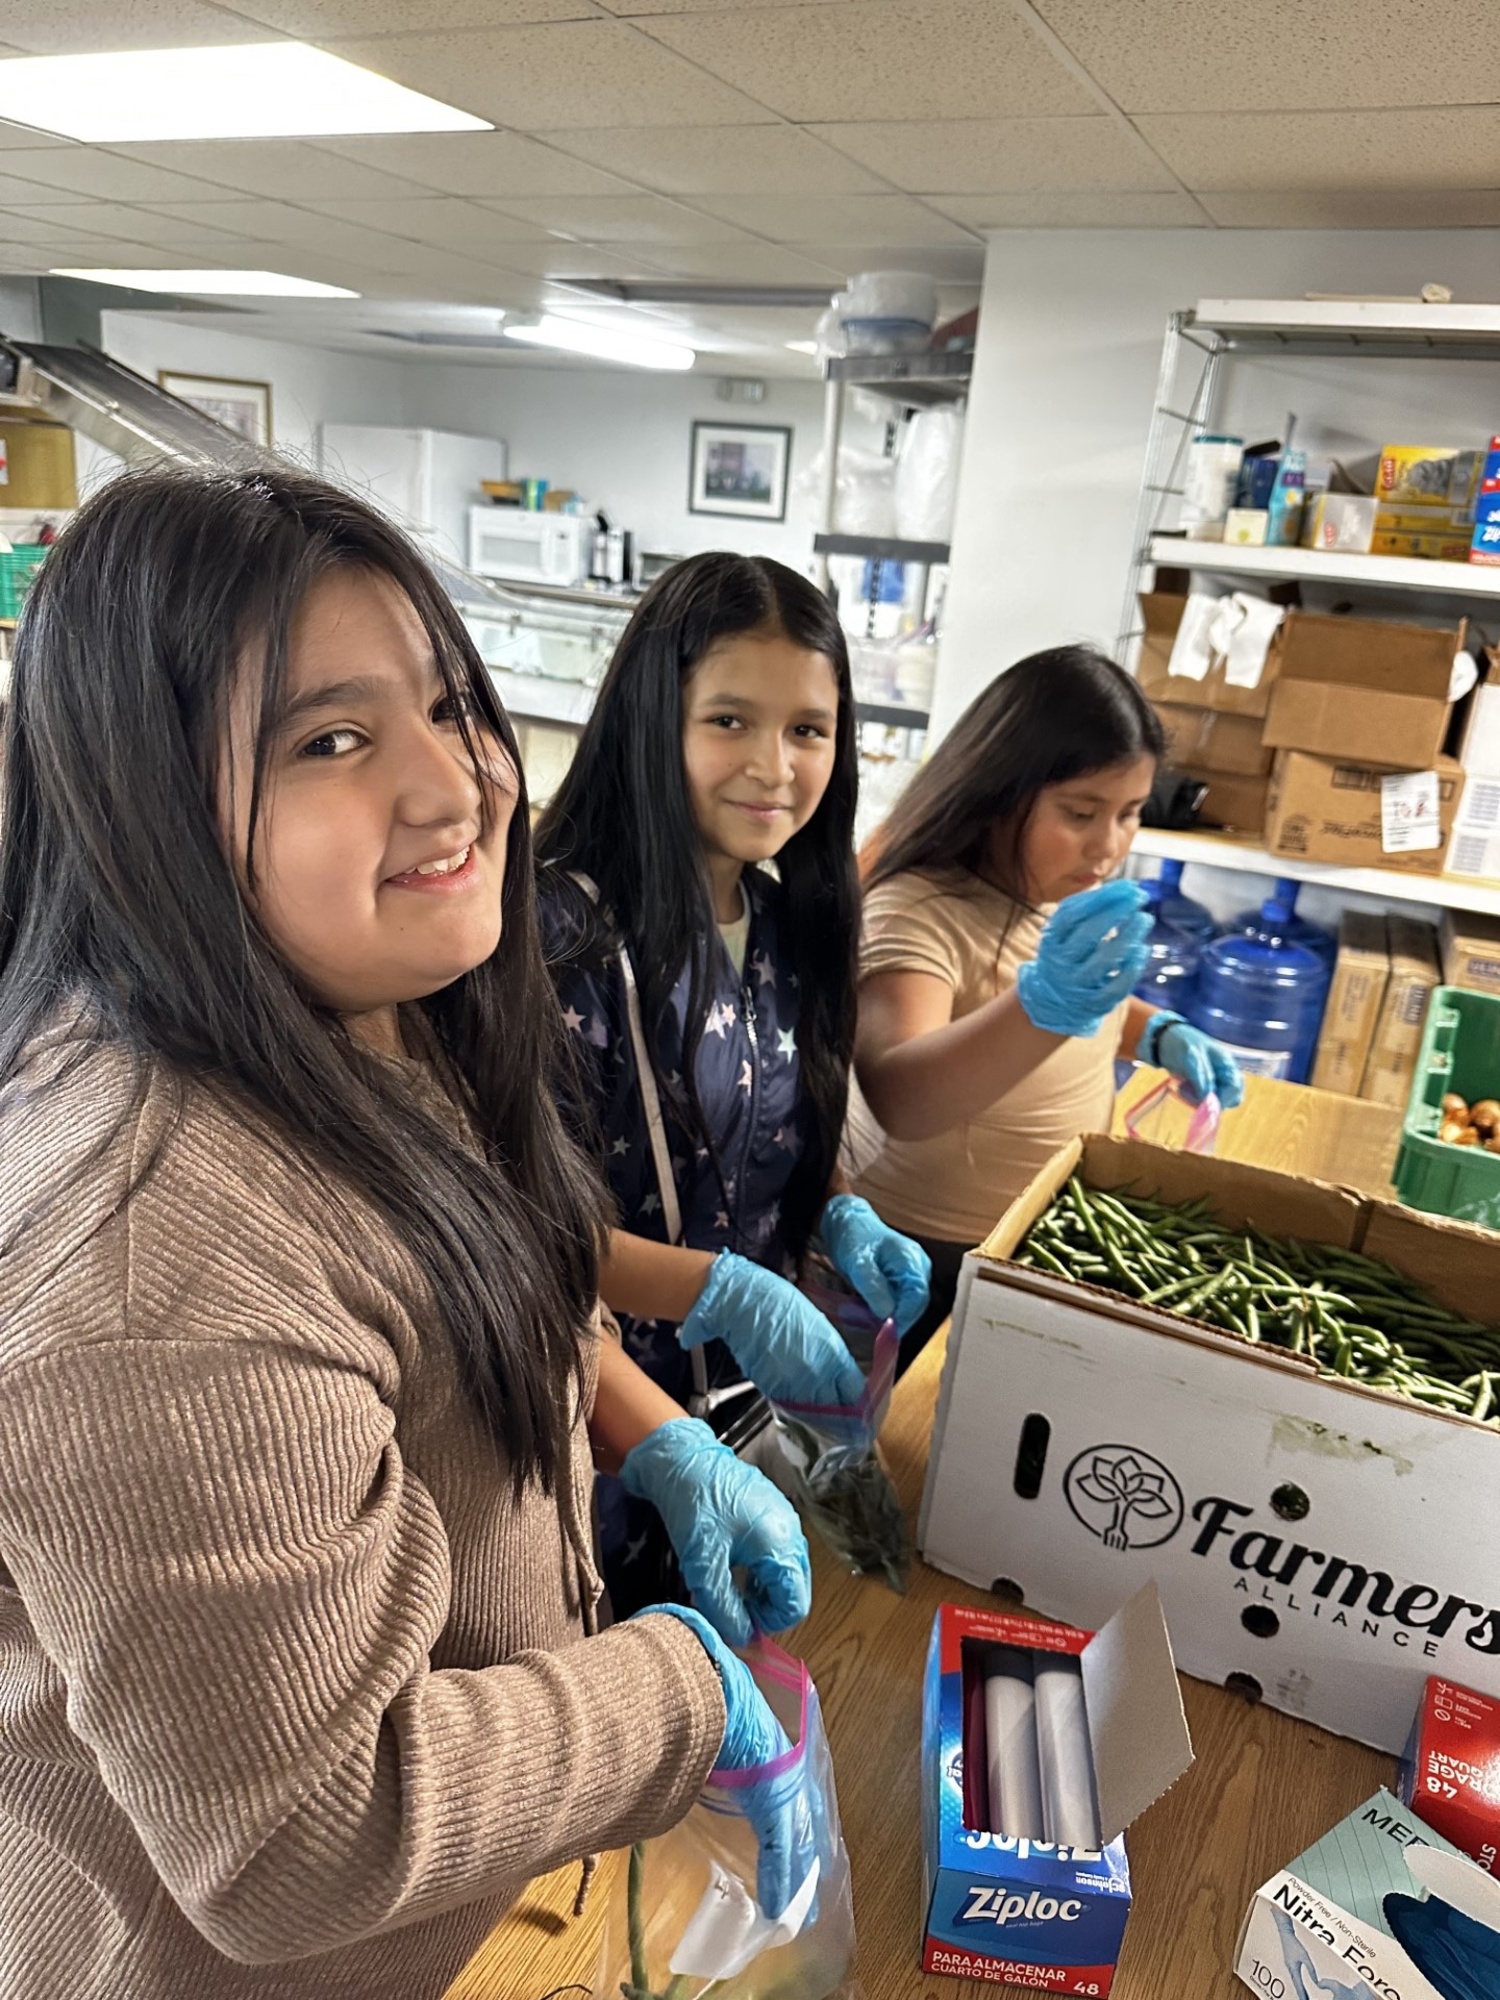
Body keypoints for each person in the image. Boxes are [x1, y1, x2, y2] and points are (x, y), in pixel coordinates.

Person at [0, 468, 816, 2000]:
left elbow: (438, 1272)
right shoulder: (147, 1265)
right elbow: (309, 1833)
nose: (460, 789)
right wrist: (678, 1695)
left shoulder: (355, 1012)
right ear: (144, 802)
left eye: (449, 709)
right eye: (331, 740)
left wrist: (647, 1433)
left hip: (454, 1920)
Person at [534, 553, 931, 1616]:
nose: (774, 765)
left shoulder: (789, 922)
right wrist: (716, 1286)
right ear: (649, 722)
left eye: (808, 728)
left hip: (741, 1413)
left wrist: (840, 1209)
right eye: (728, 721)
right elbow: (522, 1229)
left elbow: (768, 1118)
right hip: (607, 1427)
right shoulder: (565, 936)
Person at [853, 644, 1243, 1366]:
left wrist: (1153, 1031)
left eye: (1130, 813)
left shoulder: (1063, 889)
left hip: (1037, 1229)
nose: (1108, 845)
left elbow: (1085, 1014)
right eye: (1081, 812)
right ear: (1000, 791)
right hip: (925, 1257)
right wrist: (1044, 1008)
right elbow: (901, 1095)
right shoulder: (921, 908)